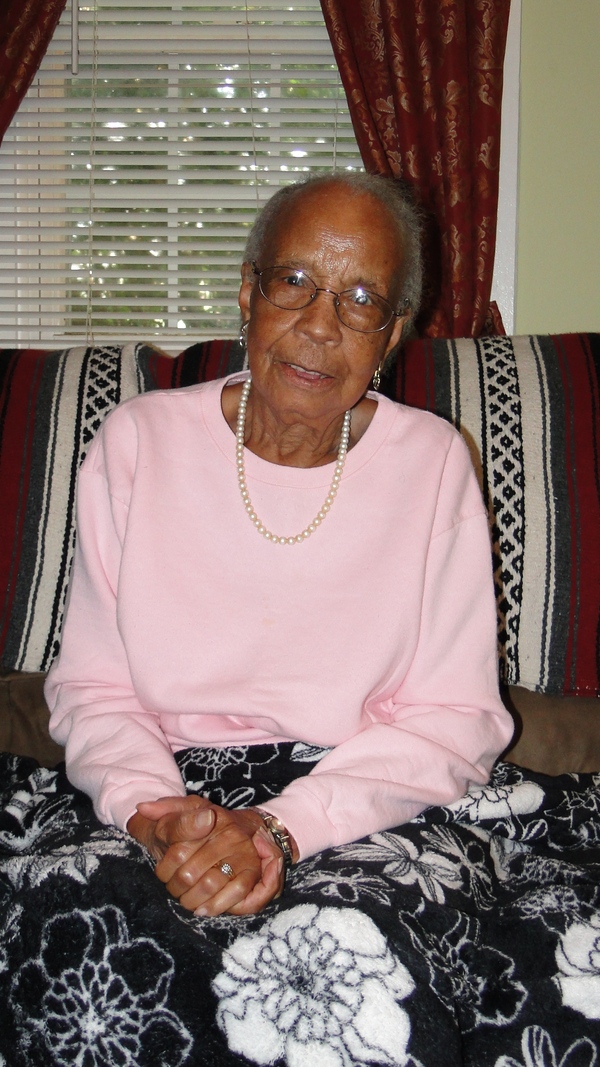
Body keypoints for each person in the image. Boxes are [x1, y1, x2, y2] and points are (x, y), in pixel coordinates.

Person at [45, 173, 513, 920]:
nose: (321, 325)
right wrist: (159, 814)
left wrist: (279, 826)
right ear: (247, 292)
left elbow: (456, 714)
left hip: (360, 800)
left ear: (391, 334)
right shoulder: (138, 442)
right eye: (294, 281)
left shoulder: (431, 462)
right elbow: (95, 689)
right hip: (161, 791)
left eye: (360, 299)